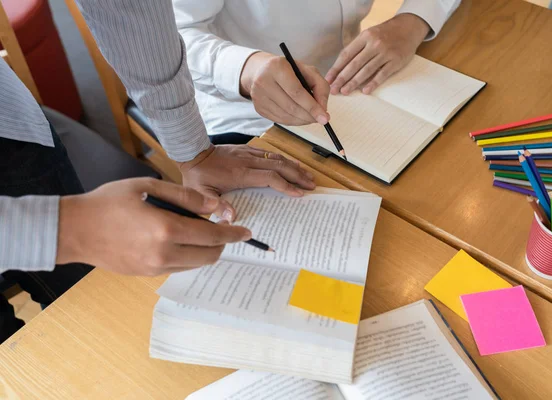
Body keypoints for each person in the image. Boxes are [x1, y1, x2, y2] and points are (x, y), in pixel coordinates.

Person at [0, 0, 315, 343]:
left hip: (10, 128)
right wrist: (66, 230)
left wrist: (193, 151)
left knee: (86, 314)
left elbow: (126, 7)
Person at [172, 0, 461, 141]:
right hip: (247, 115)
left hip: (358, 79)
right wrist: (245, 69)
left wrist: (413, 20)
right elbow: (173, 34)